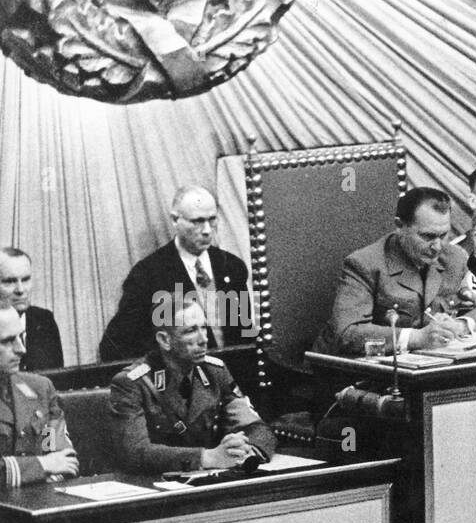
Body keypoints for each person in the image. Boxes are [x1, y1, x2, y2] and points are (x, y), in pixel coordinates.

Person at [108, 294, 276, 474]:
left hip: (209, 479)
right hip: (157, 485)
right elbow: (135, 454)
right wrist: (207, 457)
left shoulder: (215, 372)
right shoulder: (133, 383)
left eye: (204, 327)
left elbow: (257, 427)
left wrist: (245, 451)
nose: (204, 339)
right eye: (191, 331)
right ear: (165, 340)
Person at [313, 187, 472, 356]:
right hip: (355, 372)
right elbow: (346, 333)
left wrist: (461, 325)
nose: (437, 247)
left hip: (426, 369)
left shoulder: (455, 258)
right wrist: (417, 338)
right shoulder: (364, 264)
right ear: (399, 226)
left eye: (444, 235)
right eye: (428, 236)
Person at [99, 186, 252, 361]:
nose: (207, 230)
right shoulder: (148, 275)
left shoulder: (232, 266)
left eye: (212, 219)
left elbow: (245, 332)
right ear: (174, 220)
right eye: (197, 221)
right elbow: (114, 346)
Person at [1, 306, 78, 486]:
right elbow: (52, 461)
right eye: (8, 341)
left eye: (20, 337)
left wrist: (48, 470)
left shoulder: (39, 389)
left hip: (41, 501)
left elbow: (64, 458)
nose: (21, 349)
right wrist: (42, 465)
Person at [0, 247, 63, 371]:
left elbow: (56, 379)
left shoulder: (44, 319)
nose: (20, 290)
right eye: (10, 281)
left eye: (25, 279)